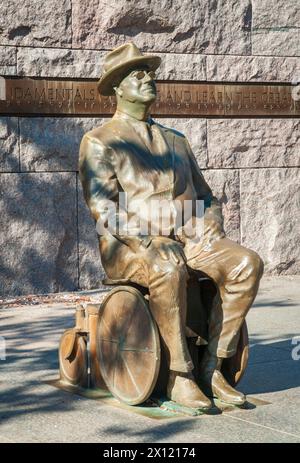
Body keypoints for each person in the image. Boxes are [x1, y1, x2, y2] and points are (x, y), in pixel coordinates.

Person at [79, 43, 264, 410]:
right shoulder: (99, 141)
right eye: (138, 74)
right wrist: (147, 239)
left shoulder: (177, 141)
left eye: (151, 72)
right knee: (168, 263)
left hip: (189, 238)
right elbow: (104, 208)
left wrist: (210, 224)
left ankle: (212, 365)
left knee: (247, 263)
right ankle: (180, 376)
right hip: (130, 246)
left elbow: (206, 196)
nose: (149, 78)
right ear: (117, 87)